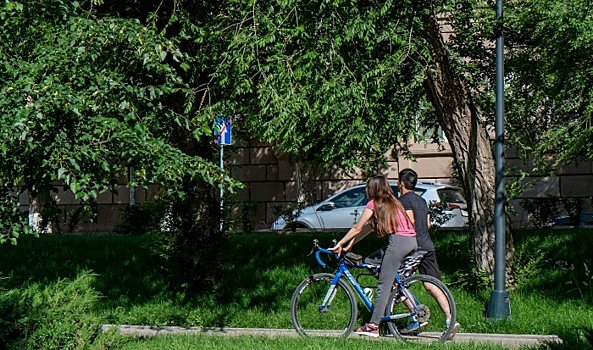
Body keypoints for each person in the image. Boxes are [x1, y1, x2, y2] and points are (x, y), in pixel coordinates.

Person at [329, 174, 417, 338]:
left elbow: (356, 227)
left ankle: (373, 325)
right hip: (411, 241)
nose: (366, 190)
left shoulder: (374, 203)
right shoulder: (392, 202)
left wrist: (340, 243)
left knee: (383, 285)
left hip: (398, 242)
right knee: (370, 261)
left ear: (373, 189)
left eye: (367, 187)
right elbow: (367, 228)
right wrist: (351, 244)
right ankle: (393, 287)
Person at [397, 168, 460, 339]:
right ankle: (450, 320)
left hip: (413, 247)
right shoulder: (421, 200)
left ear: (401, 183)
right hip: (428, 245)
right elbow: (429, 224)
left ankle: (416, 317)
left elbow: (410, 221)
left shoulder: (403, 201)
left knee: (397, 283)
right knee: (432, 285)